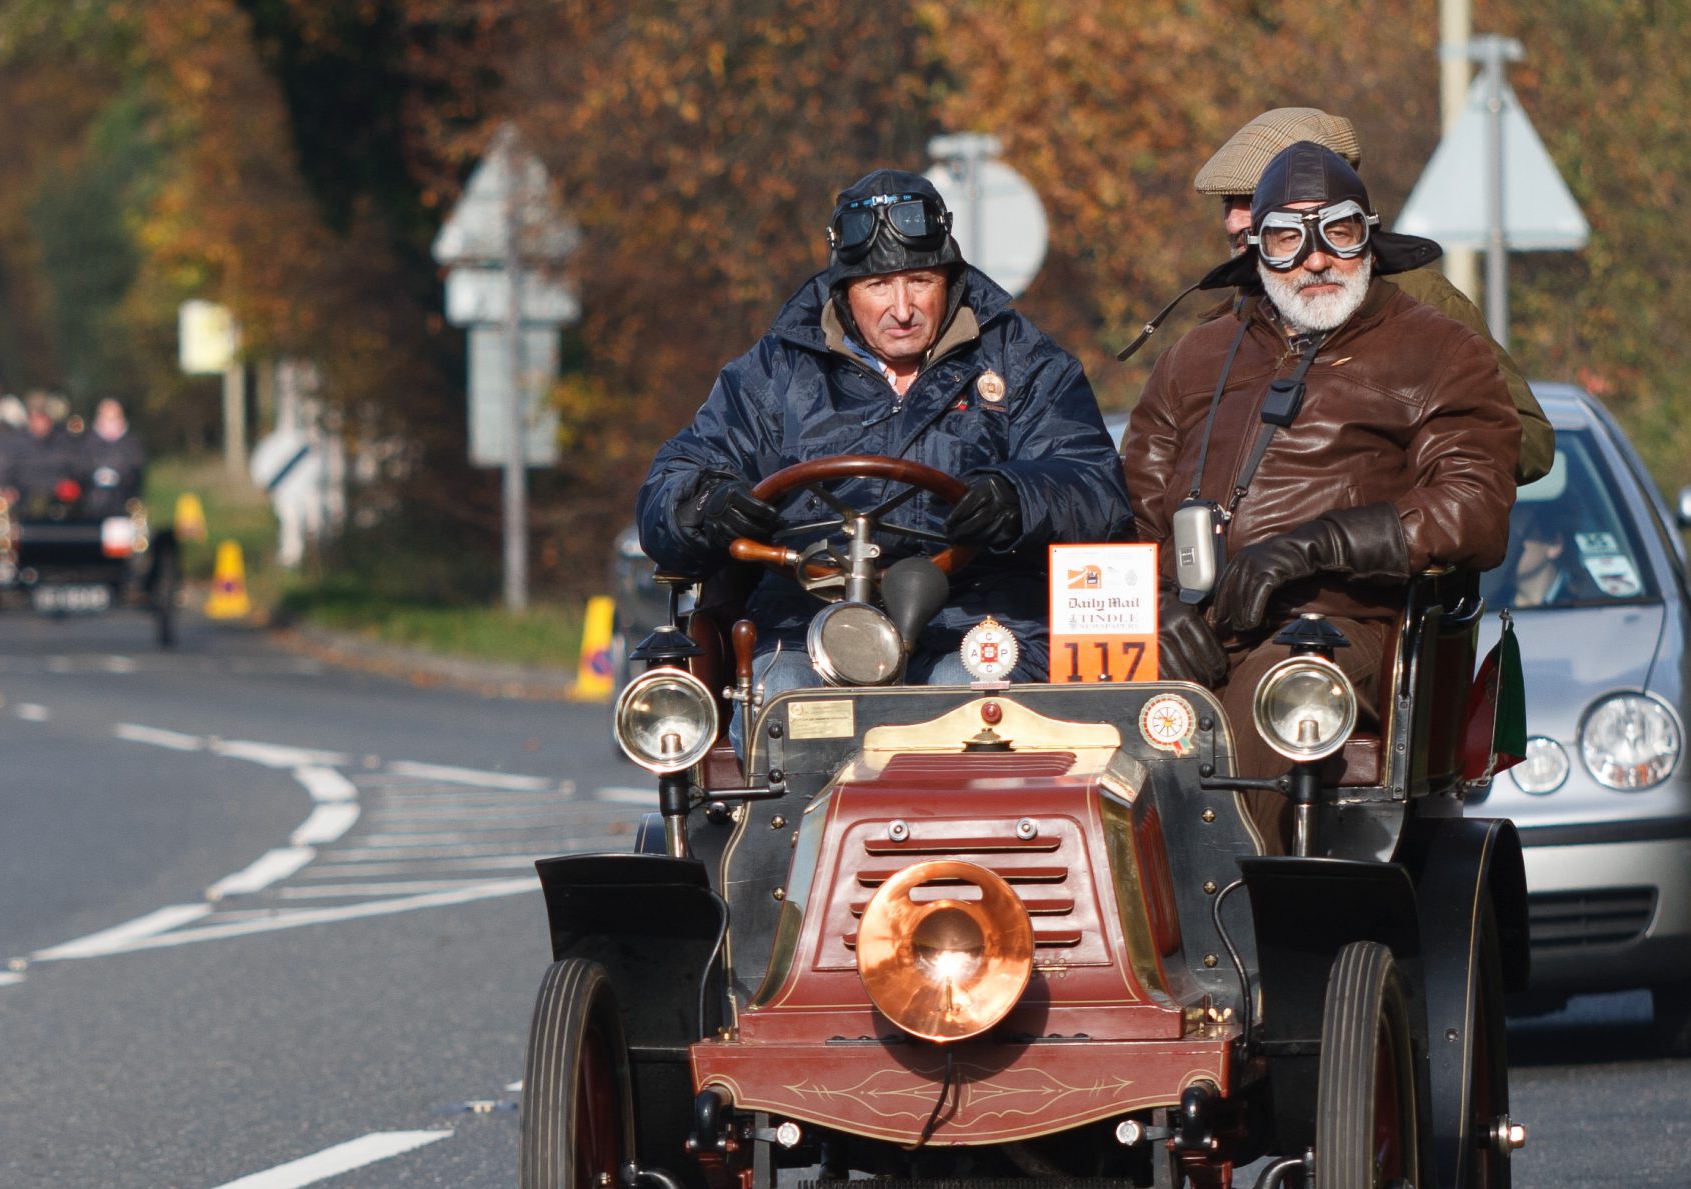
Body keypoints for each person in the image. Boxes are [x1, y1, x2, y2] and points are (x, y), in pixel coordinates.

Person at [1122, 142, 1519, 840]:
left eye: (1337, 231)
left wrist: (1314, 548)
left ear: (1369, 235)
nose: (1314, 258)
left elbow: (1474, 506)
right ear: (1257, 251)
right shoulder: (1194, 358)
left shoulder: (1441, 351)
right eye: (1286, 237)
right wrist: (1151, 609)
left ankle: (1232, 933)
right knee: (1064, 722)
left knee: (1273, 699)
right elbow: (1123, 513)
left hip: (1336, 631)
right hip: (1188, 630)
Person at [639, 169, 1131, 689]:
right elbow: (670, 485)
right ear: (844, 292)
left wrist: (1015, 499)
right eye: (878, 286)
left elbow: (1094, 484)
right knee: (784, 702)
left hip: (976, 623)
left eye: (920, 282)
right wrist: (706, 504)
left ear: (951, 279)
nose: (902, 309)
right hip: (806, 626)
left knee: (965, 704)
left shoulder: (1023, 360)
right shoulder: (773, 373)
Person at [1190, 107, 1554, 486]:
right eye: (1228, 202)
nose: (1235, 219)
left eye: (1255, 196)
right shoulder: (1224, 330)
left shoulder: (1421, 302)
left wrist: (1378, 460)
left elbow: (1528, 442)